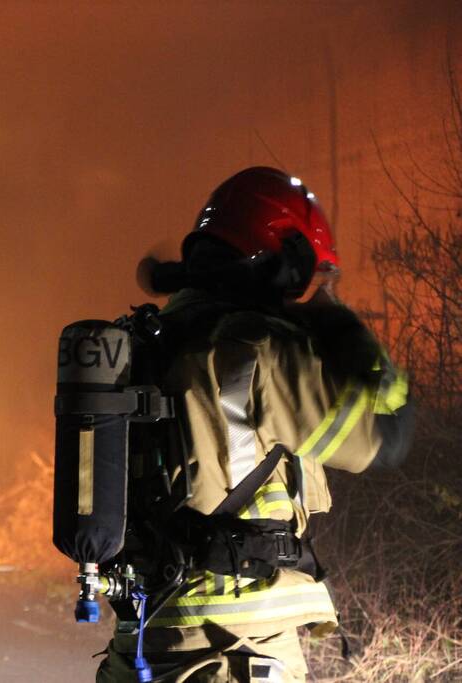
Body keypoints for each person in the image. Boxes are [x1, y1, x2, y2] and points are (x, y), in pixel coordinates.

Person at [95, 167, 415, 682]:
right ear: (284, 264)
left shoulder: (145, 342)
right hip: (233, 651)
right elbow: (385, 433)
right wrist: (341, 328)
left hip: (142, 644)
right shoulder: (258, 350)